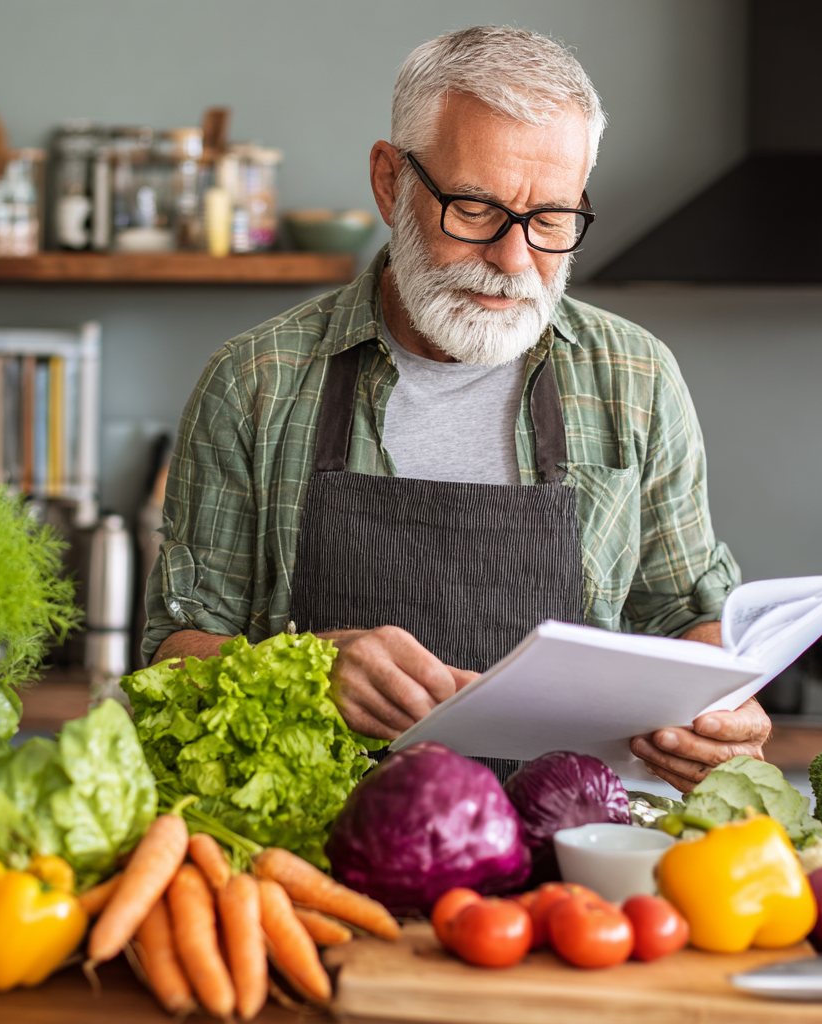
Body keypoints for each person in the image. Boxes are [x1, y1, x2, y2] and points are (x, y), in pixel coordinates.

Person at [143, 25, 771, 792]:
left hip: (566, 872)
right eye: (474, 209)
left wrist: (724, 705)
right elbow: (171, 661)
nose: (513, 261)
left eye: (550, 220)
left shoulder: (635, 378)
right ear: (389, 181)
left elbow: (685, 612)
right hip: (323, 864)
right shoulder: (255, 382)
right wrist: (305, 672)